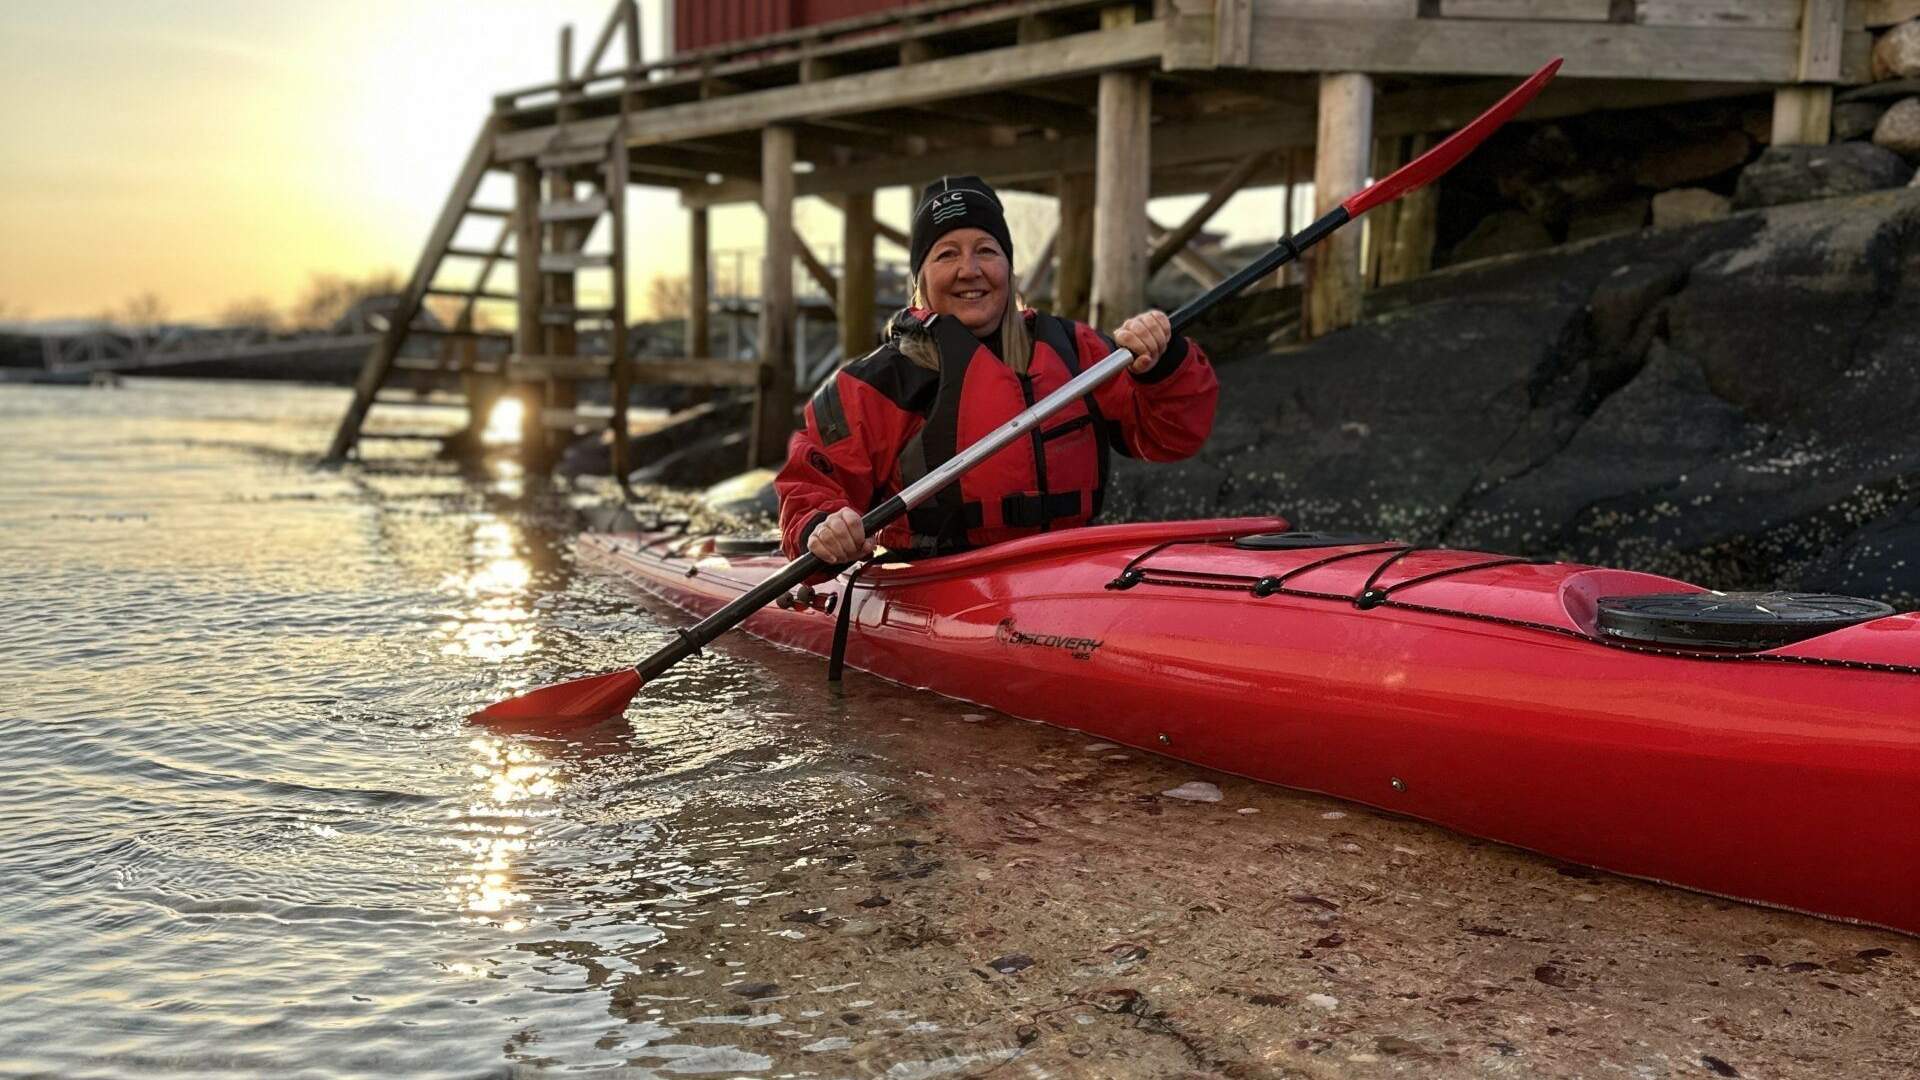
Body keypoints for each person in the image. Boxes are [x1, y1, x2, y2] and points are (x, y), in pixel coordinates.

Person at [776, 175, 1219, 564]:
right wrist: (823, 526)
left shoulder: (1075, 350)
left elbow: (1173, 436)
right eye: (946, 255)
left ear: (1008, 268)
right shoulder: (875, 384)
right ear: (921, 279)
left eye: (986, 251)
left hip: (1070, 569)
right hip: (938, 583)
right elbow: (808, 487)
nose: (969, 270)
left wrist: (1161, 363)